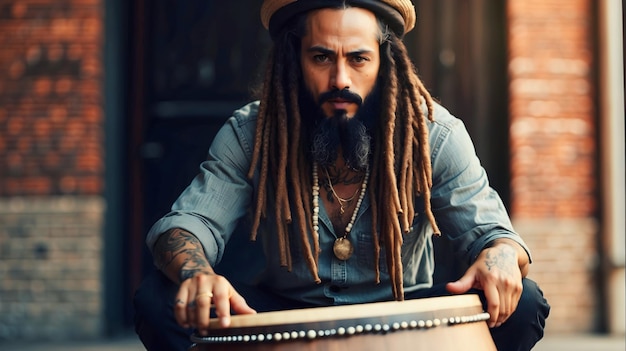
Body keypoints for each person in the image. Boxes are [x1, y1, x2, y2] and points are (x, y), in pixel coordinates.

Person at [133, 1, 550, 350]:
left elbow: (492, 233)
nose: (340, 80)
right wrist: (198, 275)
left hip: (405, 322)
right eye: (321, 57)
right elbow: (189, 225)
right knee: (159, 299)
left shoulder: (434, 136)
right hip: (288, 324)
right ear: (294, 61)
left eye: (358, 58)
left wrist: (499, 255)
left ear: (384, 63)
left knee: (523, 300)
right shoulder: (251, 135)